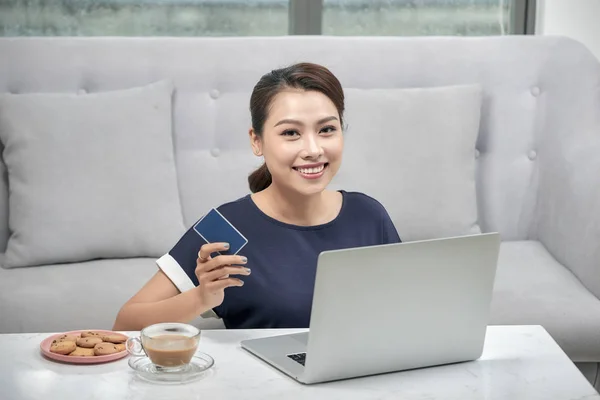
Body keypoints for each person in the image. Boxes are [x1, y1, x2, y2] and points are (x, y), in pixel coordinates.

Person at [113, 62, 401, 331]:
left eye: (327, 129)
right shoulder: (225, 228)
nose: (313, 149)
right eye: (291, 133)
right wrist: (202, 297)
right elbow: (125, 325)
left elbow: (405, 309)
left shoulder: (368, 215)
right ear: (257, 141)